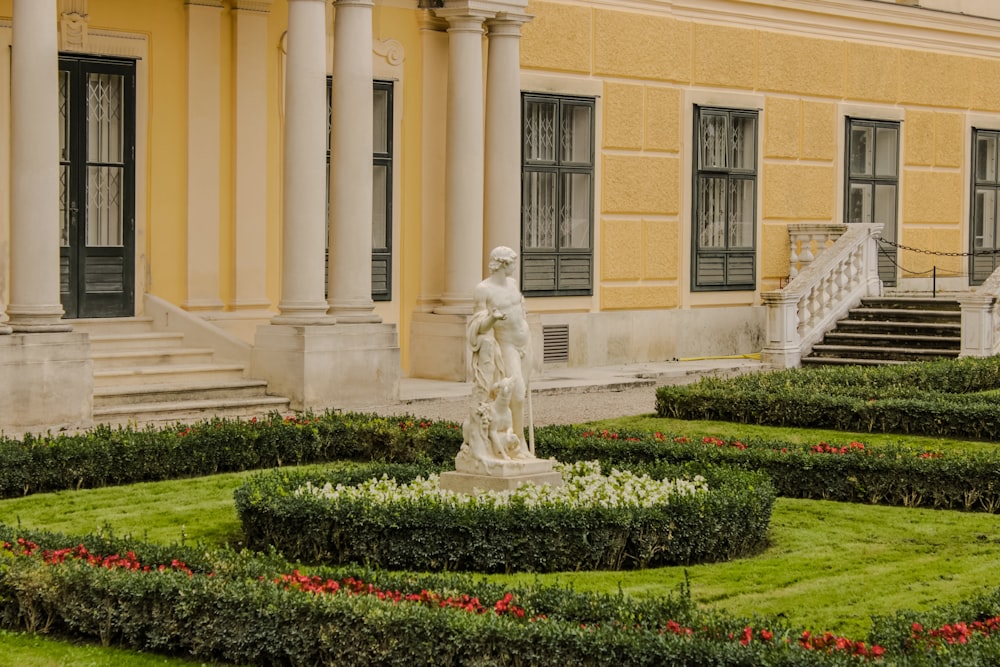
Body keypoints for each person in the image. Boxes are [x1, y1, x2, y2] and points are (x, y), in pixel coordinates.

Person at [465, 246, 534, 460]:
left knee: (524, 389)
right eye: (512, 262)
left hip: (525, 341)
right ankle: (519, 443)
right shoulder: (483, 290)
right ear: (502, 264)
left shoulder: (512, 284)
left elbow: (520, 310)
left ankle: (515, 440)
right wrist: (493, 318)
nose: (515, 266)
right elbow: (479, 326)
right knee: (517, 393)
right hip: (507, 345)